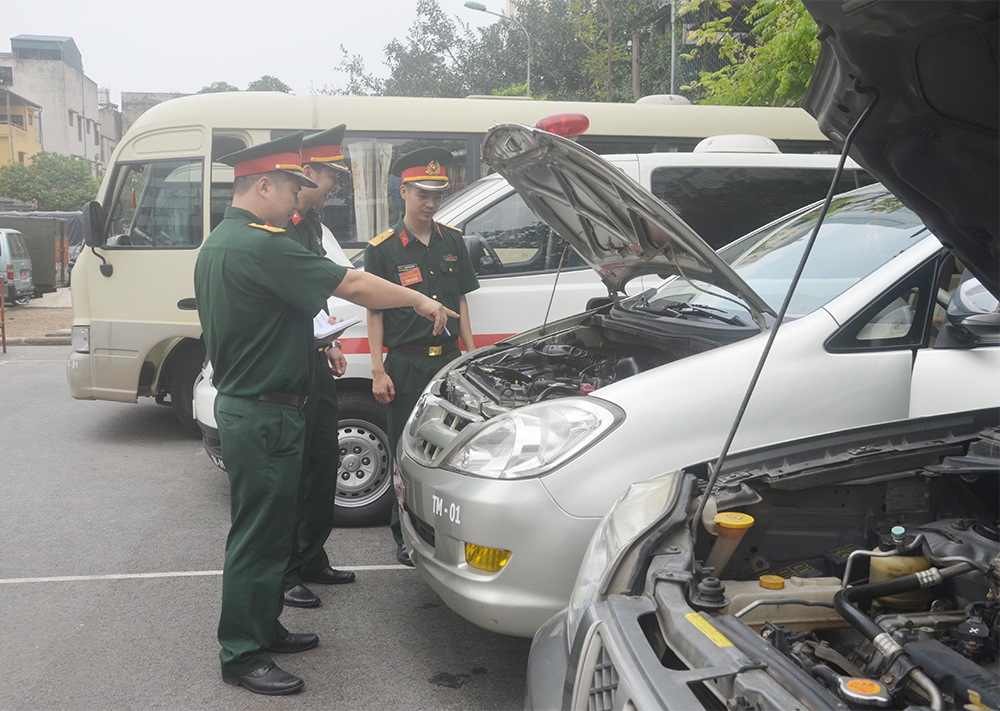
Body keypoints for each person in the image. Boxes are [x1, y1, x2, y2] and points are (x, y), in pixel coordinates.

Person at [195, 133, 456, 696]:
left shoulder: (222, 241)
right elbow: (354, 283)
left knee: (265, 532)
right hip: (264, 411)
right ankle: (241, 653)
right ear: (262, 185)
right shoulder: (261, 243)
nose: (298, 200)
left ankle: (263, 627)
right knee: (258, 538)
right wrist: (419, 299)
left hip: (259, 406)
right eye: (291, 188)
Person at [364, 147, 479, 567]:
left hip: (447, 363)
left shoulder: (454, 240)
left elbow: (462, 301)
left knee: (454, 449)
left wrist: (471, 353)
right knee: (405, 450)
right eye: (422, 195)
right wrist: (377, 369)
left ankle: (444, 527)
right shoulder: (384, 248)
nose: (430, 204)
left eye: (437, 196)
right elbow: (373, 311)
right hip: (406, 364)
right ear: (404, 193)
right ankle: (404, 531)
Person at [280, 125, 356, 611]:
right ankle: (285, 571)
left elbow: (313, 294)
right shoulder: (284, 223)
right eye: (330, 176)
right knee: (295, 469)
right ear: (306, 173)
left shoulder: (310, 223)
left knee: (323, 460)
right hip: (289, 363)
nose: (334, 186)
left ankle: (311, 557)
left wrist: (328, 341)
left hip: (315, 355)